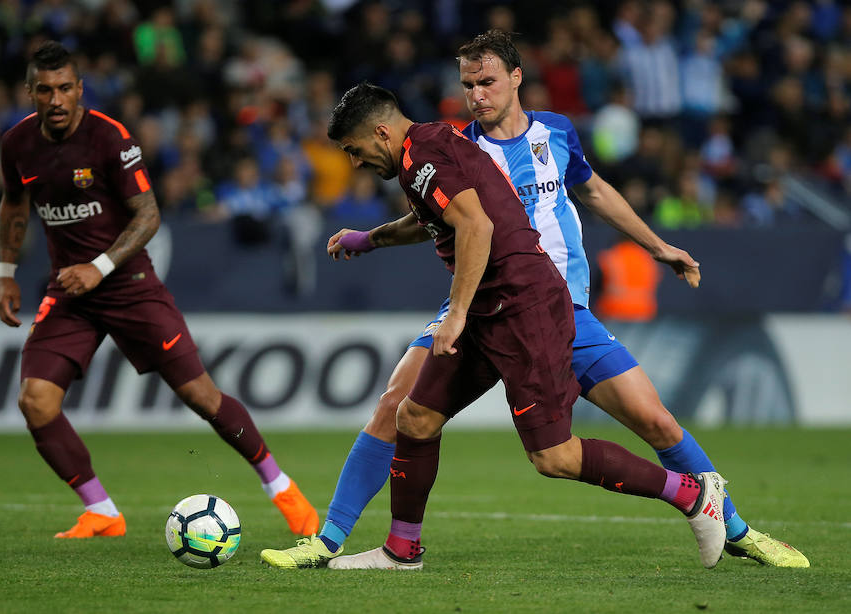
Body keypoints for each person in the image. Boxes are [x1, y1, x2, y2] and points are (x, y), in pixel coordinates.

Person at [260, 30, 809, 570]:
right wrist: (375, 238)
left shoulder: (555, 132)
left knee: (656, 423)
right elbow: (438, 219)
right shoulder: (453, 143)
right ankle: (333, 539)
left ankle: (736, 529)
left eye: (487, 81)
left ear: (516, 77)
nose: (477, 94)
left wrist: (658, 245)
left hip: (556, 304)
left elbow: (593, 191)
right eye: (468, 84)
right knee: (401, 409)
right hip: (482, 299)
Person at [0, 41, 318, 539]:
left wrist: (100, 266)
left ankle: (282, 488)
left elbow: (148, 214)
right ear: (29, 92)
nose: (56, 100)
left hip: (129, 285)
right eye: (44, 90)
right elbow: (14, 204)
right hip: (70, 291)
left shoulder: (110, 138)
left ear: (80, 89)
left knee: (202, 396)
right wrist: (5, 272)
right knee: (35, 400)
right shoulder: (17, 144)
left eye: (64, 89)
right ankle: (101, 510)